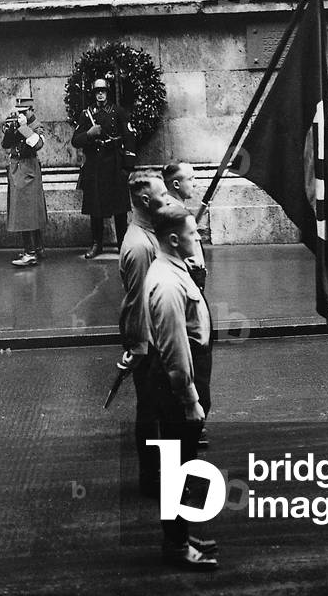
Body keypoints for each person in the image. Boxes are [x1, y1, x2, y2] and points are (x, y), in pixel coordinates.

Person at [144, 206, 218, 571]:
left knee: (183, 463)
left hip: (188, 376)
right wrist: (189, 400)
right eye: (193, 233)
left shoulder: (176, 268)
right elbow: (175, 349)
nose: (198, 237)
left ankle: (182, 535)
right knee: (178, 468)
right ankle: (175, 545)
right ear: (173, 240)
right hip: (178, 387)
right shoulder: (168, 283)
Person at [117, 169, 171, 497]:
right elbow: (136, 304)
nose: (168, 200)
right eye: (163, 195)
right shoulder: (139, 247)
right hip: (149, 344)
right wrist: (140, 349)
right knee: (150, 411)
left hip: (158, 338)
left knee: (159, 410)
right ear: (146, 200)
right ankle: (152, 478)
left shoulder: (150, 233)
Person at [72, 77, 137, 259]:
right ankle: (97, 244)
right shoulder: (87, 114)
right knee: (95, 207)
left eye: (103, 91)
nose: (100, 94)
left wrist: (128, 167)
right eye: (97, 92)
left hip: (115, 162)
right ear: (93, 94)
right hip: (95, 165)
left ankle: (122, 243)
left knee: (119, 208)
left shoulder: (118, 112)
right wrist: (89, 134)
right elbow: (75, 140)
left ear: (108, 93)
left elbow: (129, 138)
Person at [2, 96, 48, 267]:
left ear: (31, 111)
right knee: (26, 211)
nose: (20, 114)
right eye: (18, 111)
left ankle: (30, 253)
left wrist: (23, 127)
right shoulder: (17, 123)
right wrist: (10, 129)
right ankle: (37, 248)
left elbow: (37, 145)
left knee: (26, 213)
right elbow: (6, 144)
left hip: (28, 169)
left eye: (23, 112)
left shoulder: (37, 126)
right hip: (17, 169)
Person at [163, 161, 207, 291]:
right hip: (188, 282)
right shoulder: (174, 214)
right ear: (176, 184)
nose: (195, 183)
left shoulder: (176, 209)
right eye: (190, 179)